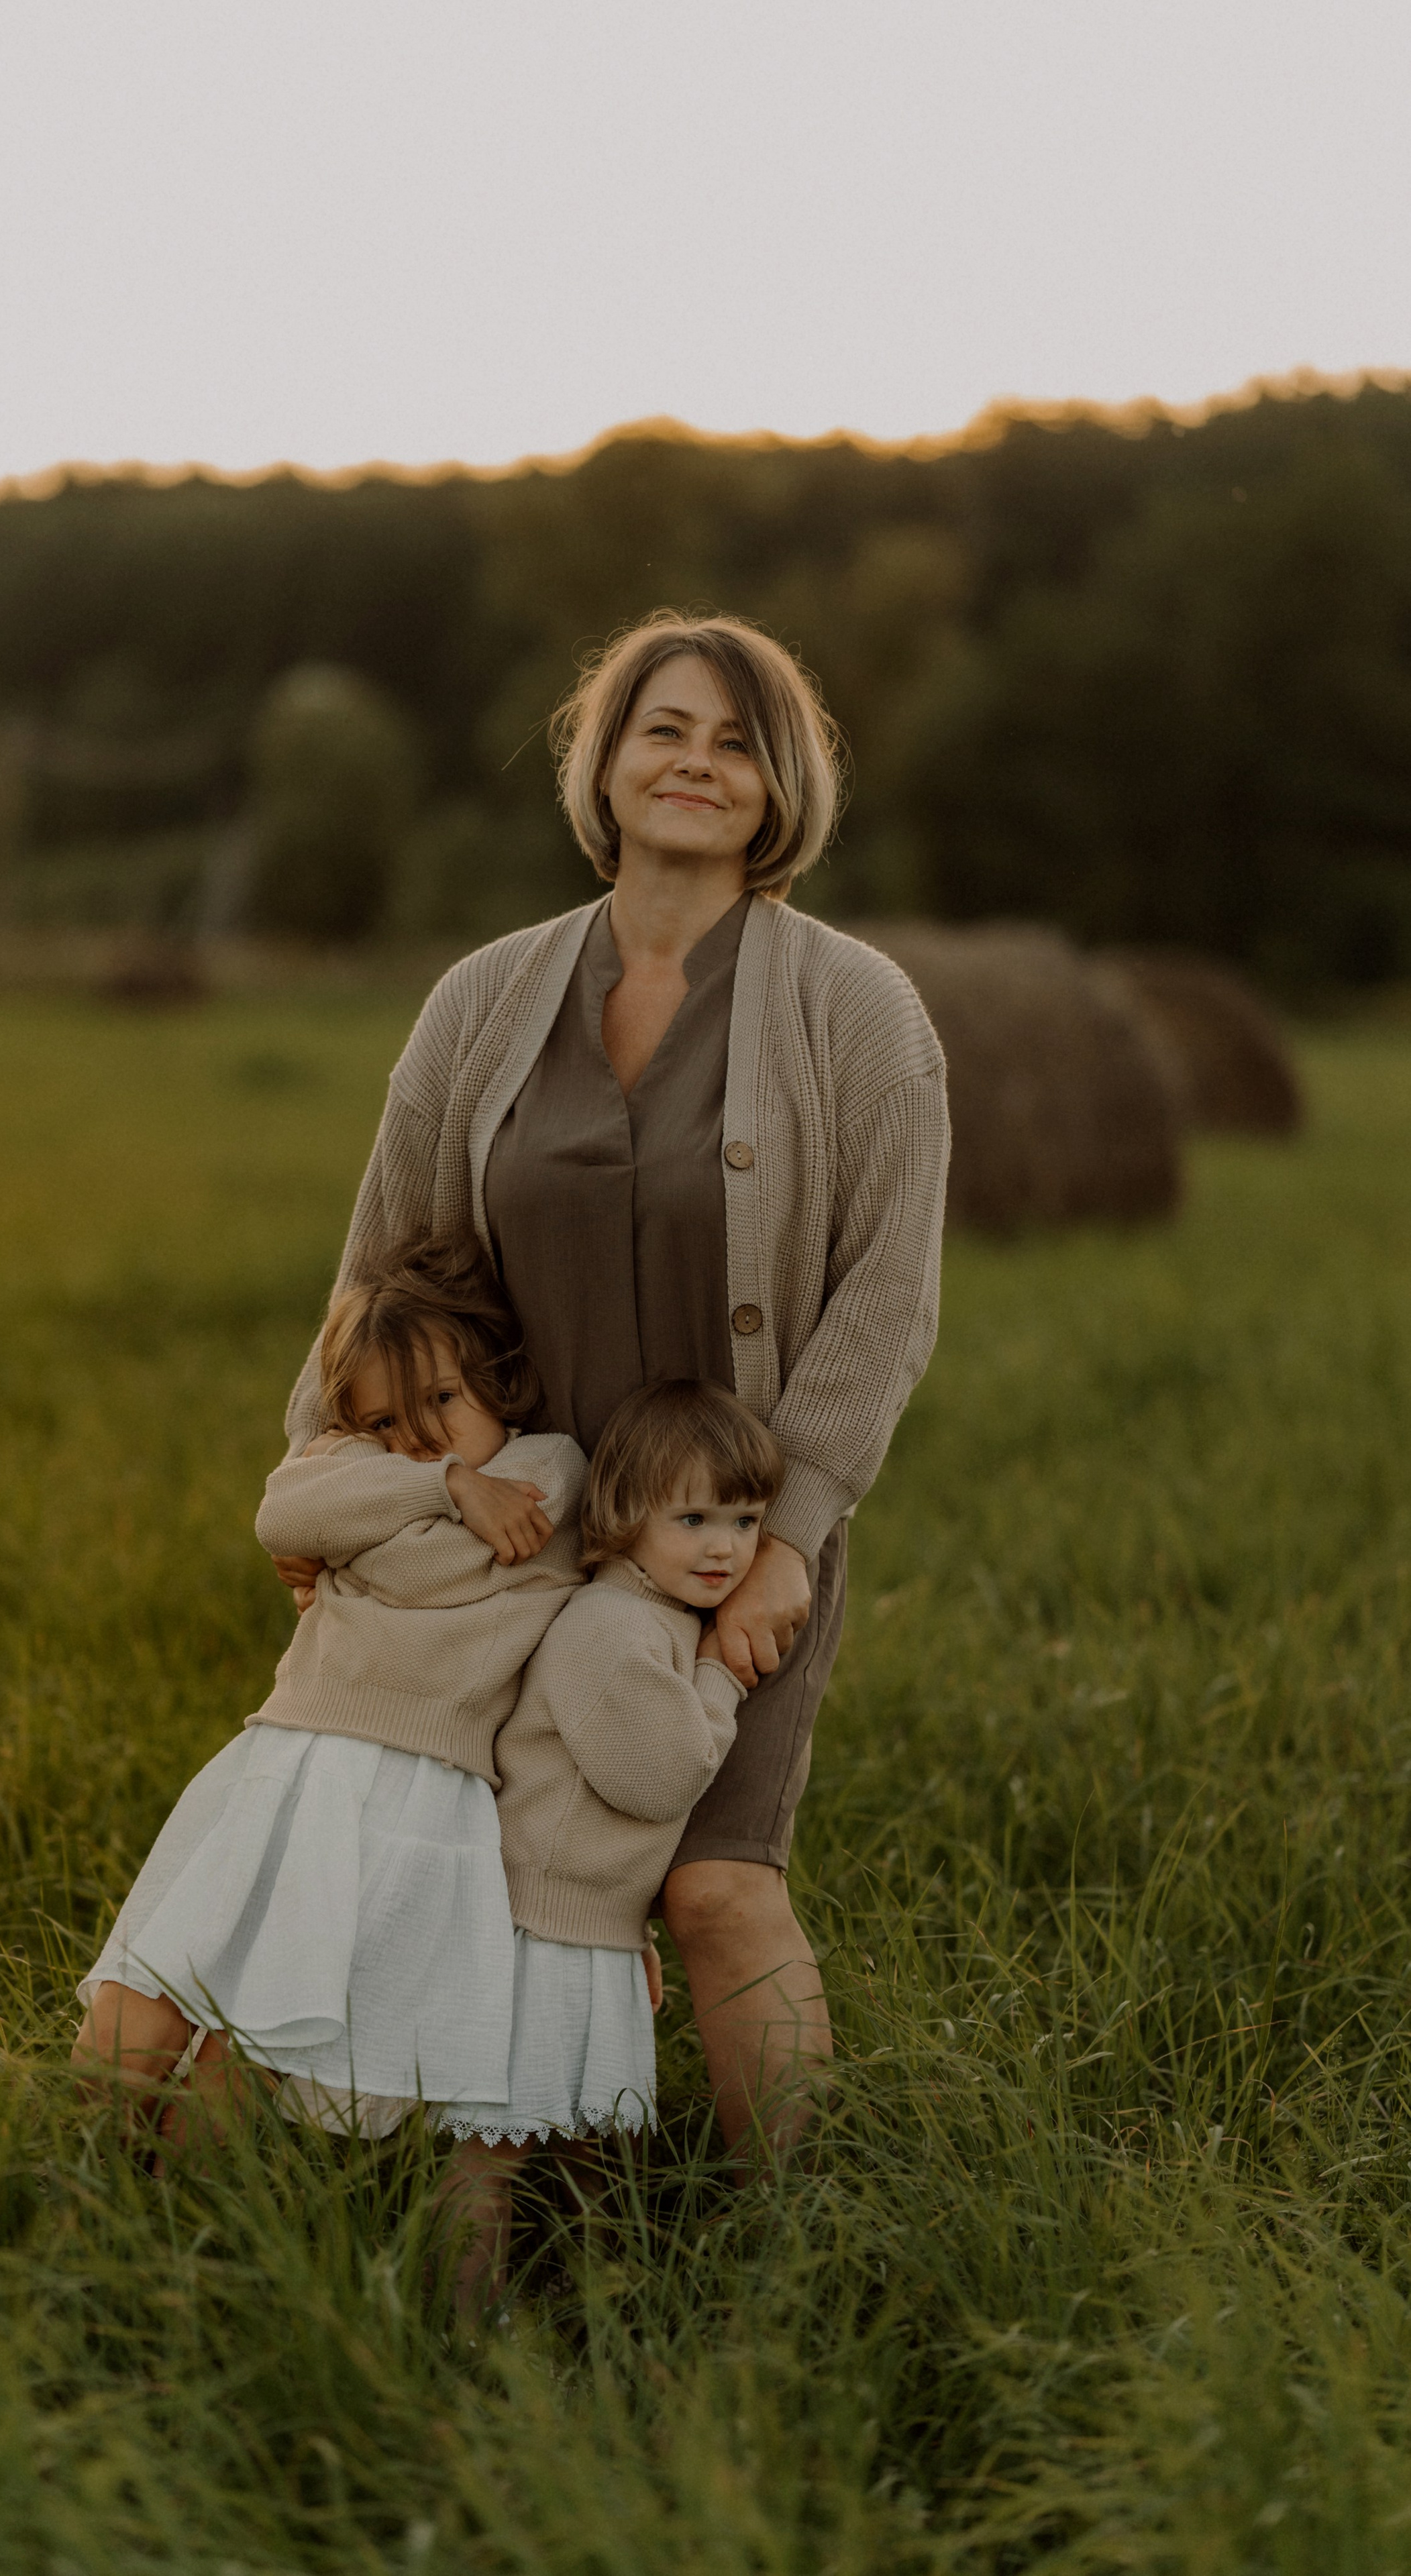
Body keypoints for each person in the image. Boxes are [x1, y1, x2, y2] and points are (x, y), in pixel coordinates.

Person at [272, 610, 949, 2150]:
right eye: (663, 731)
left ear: (779, 788)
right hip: (504, 1528)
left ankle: (792, 2240)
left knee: (713, 1885)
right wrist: (327, 1480)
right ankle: (523, 2204)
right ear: (604, 761)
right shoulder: (481, 1000)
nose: (694, 765)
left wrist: (789, 1538)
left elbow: (886, 1300)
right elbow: (382, 1264)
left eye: (734, 743)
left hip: (721, 1542)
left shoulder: (856, 1012)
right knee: (501, 1880)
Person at [71, 1234, 586, 2144]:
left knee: (259, 2043)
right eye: (384, 1423)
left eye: (443, 1400)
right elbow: (285, 1512)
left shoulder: (550, 1467)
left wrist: (370, 1520)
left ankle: (177, 2222)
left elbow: (424, 1570)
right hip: (288, 1762)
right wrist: (448, 1485)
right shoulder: (420, 1471)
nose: (417, 1437)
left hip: (411, 1793)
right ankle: (73, 2186)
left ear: (497, 1379)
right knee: (144, 2002)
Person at [434, 1379, 779, 2309]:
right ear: (625, 1514)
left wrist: (632, 1932)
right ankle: (460, 2322)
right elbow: (659, 1780)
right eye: (693, 1518)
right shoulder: (611, 1628)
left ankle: (599, 2305)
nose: (724, 1548)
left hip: (591, 1927)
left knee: (596, 2141)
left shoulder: (655, 1616)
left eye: (746, 1522)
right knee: (497, 2147)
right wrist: (720, 1678)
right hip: (539, 1929)